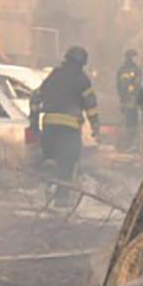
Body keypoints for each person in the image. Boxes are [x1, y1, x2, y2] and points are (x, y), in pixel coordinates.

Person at [31, 46, 100, 205]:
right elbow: (91, 105)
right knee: (67, 165)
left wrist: (34, 121)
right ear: (83, 63)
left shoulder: (54, 76)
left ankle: (47, 187)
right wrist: (95, 127)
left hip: (49, 127)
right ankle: (61, 200)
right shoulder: (82, 79)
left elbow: (35, 97)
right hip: (69, 130)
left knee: (50, 158)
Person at [115, 49, 143, 151]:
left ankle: (127, 143)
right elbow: (124, 85)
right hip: (131, 100)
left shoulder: (124, 69)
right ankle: (127, 144)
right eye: (134, 56)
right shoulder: (132, 70)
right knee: (131, 122)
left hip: (130, 100)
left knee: (128, 121)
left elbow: (120, 86)